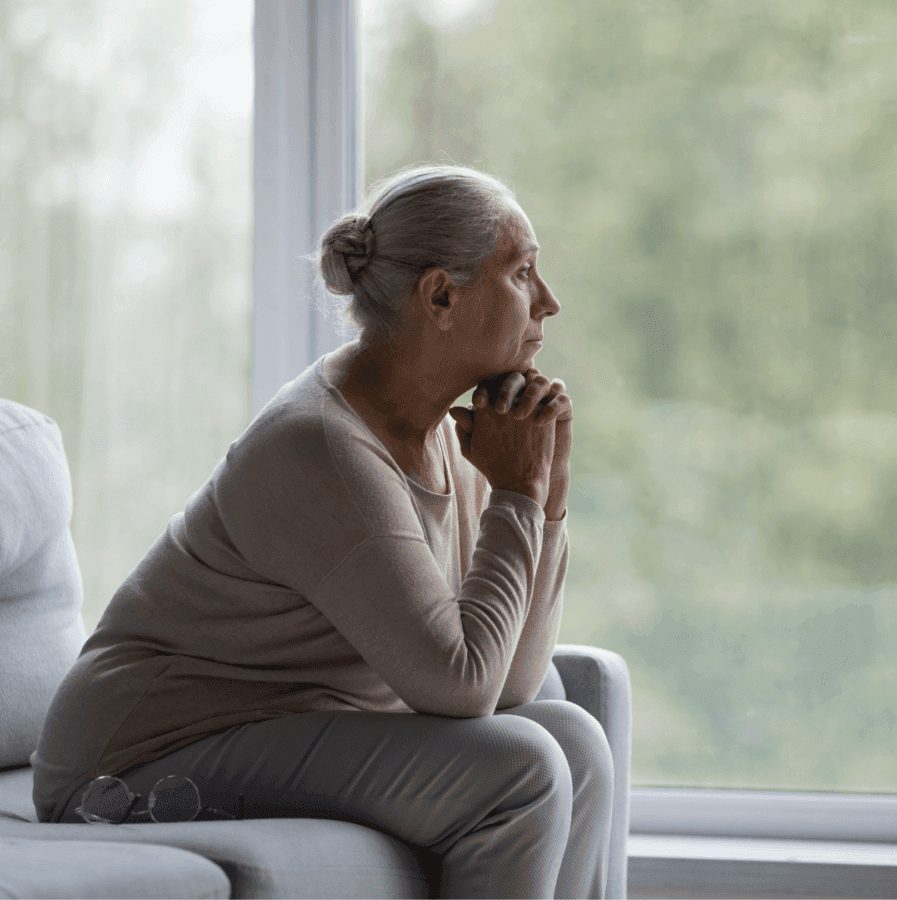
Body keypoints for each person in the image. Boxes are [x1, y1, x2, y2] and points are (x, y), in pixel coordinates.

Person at [31, 164, 614, 899]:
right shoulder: (323, 446)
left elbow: (510, 686)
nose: (550, 302)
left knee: (575, 743)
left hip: (279, 726)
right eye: (524, 272)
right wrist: (518, 496)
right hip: (132, 761)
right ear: (440, 295)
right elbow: (463, 687)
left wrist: (544, 498)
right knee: (522, 766)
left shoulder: (447, 431)